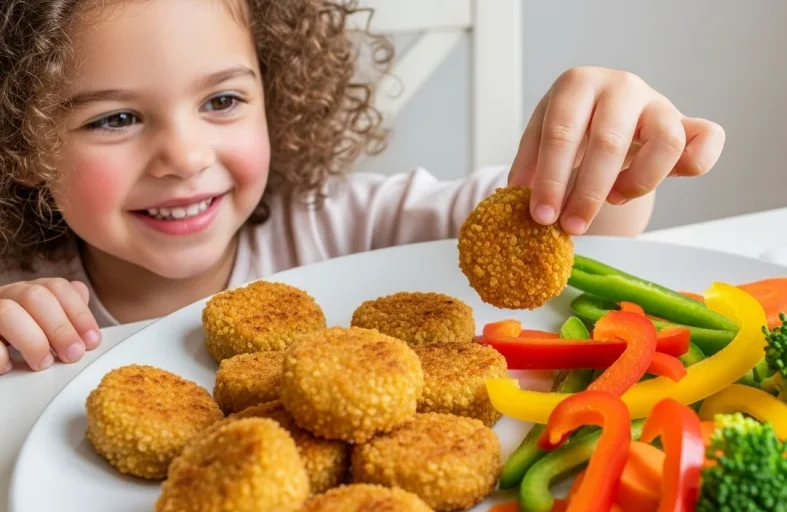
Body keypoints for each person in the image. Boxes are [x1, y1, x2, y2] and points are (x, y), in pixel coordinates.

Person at [0, 0, 725, 374]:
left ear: (275, 91)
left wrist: (608, 159)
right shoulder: (17, 303)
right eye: (117, 117)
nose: (186, 156)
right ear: (24, 139)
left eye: (221, 101)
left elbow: (563, 243)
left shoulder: (348, 223)